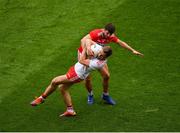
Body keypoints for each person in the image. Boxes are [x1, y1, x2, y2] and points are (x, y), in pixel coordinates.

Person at [30, 44, 112, 117]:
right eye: (100, 52)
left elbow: (81, 60)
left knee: (55, 81)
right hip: (75, 70)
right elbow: (87, 40)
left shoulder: (99, 63)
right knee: (63, 88)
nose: (100, 54)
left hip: (77, 75)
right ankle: (70, 110)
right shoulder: (99, 49)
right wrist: (88, 47)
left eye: (102, 55)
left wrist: (85, 49)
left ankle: (42, 98)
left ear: (106, 57)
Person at [78, 23, 144, 105]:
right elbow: (83, 40)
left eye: (110, 34)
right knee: (87, 78)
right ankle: (90, 94)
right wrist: (87, 49)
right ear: (104, 30)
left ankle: (105, 95)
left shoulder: (110, 36)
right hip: (86, 55)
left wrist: (132, 50)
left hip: (99, 56)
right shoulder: (96, 33)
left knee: (106, 76)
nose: (108, 35)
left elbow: (120, 42)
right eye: (107, 33)